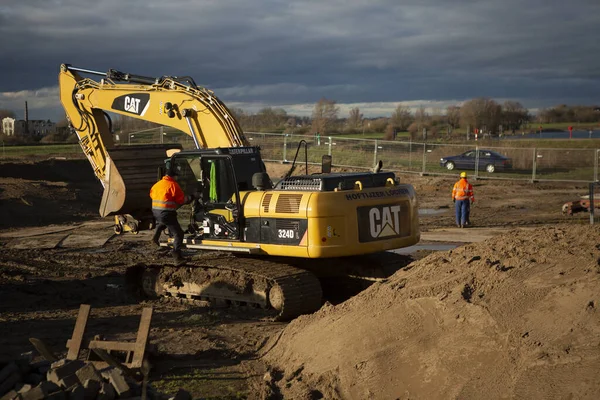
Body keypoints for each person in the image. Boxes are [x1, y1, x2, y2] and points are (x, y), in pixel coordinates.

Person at [149, 166, 195, 265]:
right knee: (178, 234)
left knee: (163, 222)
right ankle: (177, 257)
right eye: (176, 177)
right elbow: (182, 200)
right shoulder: (173, 185)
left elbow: (152, 195)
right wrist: (192, 197)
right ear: (173, 176)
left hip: (156, 211)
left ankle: (155, 238)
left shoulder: (157, 184)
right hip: (166, 213)